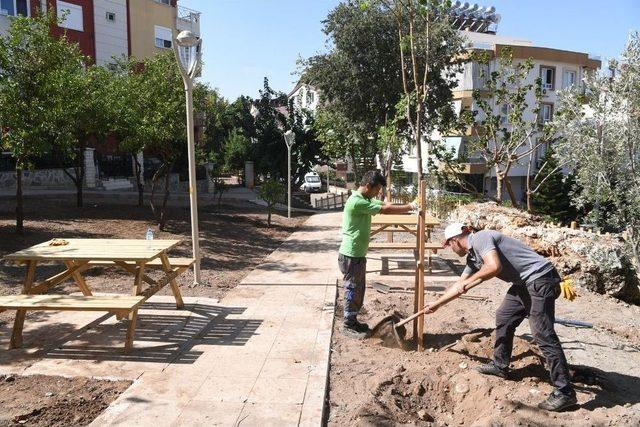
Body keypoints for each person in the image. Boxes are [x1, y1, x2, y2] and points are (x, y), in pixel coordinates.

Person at [424, 222, 577, 412]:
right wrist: (436, 305)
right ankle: (500, 365)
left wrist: (470, 282)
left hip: (540, 278)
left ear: (454, 240)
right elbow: (459, 286)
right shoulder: (473, 258)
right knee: (504, 317)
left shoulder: (481, 238)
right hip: (524, 283)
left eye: (448, 245)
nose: (450, 249)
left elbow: (494, 266)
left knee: (542, 333)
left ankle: (565, 392)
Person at [338, 170, 418, 337]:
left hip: (357, 255)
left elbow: (383, 204)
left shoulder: (365, 198)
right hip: (351, 255)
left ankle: (352, 321)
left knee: (359, 289)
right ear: (368, 186)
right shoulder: (356, 202)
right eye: (377, 189)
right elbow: (386, 209)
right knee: (352, 288)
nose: (378, 193)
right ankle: (347, 325)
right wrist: (411, 206)